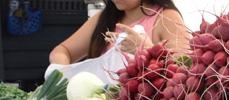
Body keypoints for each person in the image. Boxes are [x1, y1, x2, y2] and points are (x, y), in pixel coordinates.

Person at [49, 0, 190, 65]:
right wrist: (61, 73)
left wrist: (148, 51)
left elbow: (185, 69)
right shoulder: (103, 19)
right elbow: (63, 50)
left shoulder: (166, 17)